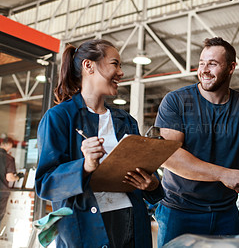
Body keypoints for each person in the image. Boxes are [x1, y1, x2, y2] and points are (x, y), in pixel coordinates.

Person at [35, 39, 164, 248]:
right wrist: (84, 167)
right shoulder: (59, 118)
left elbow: (149, 175)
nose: (121, 72)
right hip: (86, 229)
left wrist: (152, 184)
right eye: (115, 64)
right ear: (89, 66)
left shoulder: (126, 121)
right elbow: (46, 184)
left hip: (132, 223)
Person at [155, 37, 239, 246]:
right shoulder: (176, 101)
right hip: (179, 211)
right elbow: (169, 156)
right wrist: (222, 174)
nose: (204, 69)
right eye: (202, 63)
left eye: (212, 64)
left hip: (225, 214)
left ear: (231, 68)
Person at [0, 137, 22, 223]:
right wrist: (18, 177)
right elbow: (9, 177)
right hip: (2, 192)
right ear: (9, 145)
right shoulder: (8, 158)